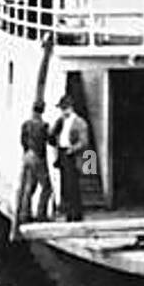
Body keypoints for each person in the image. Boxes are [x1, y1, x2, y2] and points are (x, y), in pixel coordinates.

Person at [11, 101, 53, 241]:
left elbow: (22, 140)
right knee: (46, 187)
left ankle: (24, 214)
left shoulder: (26, 124)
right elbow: (50, 140)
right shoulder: (44, 126)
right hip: (38, 157)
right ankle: (41, 214)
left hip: (27, 155)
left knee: (30, 186)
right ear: (43, 111)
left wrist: (27, 151)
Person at [49, 93, 91, 222]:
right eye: (62, 109)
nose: (62, 111)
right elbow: (52, 135)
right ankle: (69, 213)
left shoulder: (79, 122)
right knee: (65, 186)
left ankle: (76, 214)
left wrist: (72, 149)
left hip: (72, 155)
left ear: (70, 108)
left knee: (73, 186)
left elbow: (84, 142)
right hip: (62, 153)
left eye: (64, 108)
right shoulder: (61, 121)